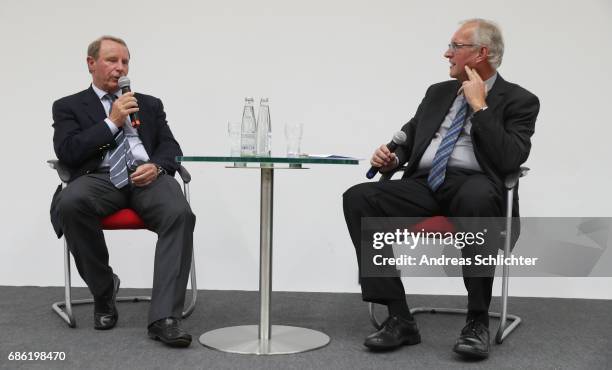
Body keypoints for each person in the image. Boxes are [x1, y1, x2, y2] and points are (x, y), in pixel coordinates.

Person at [343, 19, 539, 359]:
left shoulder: (520, 100)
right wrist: (394, 157)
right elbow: (412, 134)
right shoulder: (438, 93)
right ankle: (399, 317)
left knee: (476, 198)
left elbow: (509, 159)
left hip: (474, 185)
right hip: (425, 184)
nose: (446, 53)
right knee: (359, 198)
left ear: (481, 53)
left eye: (455, 46)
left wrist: (481, 107)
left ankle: (477, 321)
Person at [50, 36, 196, 348]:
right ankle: (103, 291)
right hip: (99, 178)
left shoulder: (149, 103)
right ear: (91, 63)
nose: (120, 68)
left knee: (179, 212)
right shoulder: (68, 106)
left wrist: (156, 166)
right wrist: (112, 122)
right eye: (112, 60)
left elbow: (171, 146)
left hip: (147, 177)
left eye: (125, 62)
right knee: (71, 202)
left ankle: (164, 318)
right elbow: (68, 152)